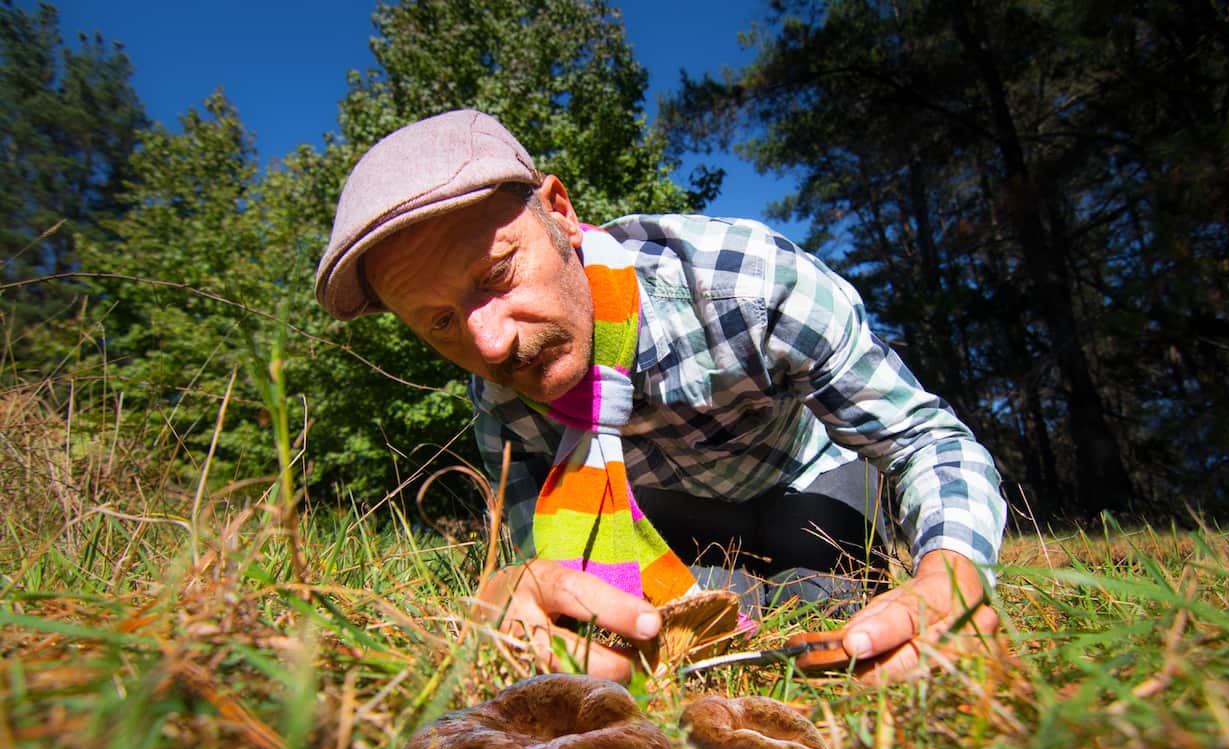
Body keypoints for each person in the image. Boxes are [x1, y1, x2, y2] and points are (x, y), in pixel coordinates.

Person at [315, 109, 1005, 684]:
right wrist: (511, 588)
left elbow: (927, 443)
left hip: (808, 478)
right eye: (439, 322)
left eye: (497, 274)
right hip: (673, 511)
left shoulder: (753, 285)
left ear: (560, 213)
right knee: (660, 638)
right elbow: (540, 563)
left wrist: (955, 571)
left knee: (827, 602)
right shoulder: (497, 397)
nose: (491, 345)